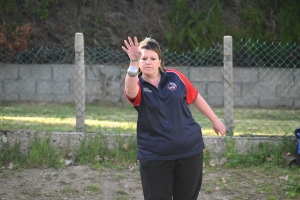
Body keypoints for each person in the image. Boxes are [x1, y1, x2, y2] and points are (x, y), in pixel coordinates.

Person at [122, 36, 226, 200]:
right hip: (155, 156)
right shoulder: (138, 86)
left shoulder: (175, 77)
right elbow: (130, 88)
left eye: (152, 58)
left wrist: (215, 120)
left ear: (160, 61)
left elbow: (195, 96)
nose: (148, 62)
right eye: (144, 58)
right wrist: (133, 61)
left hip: (190, 151)